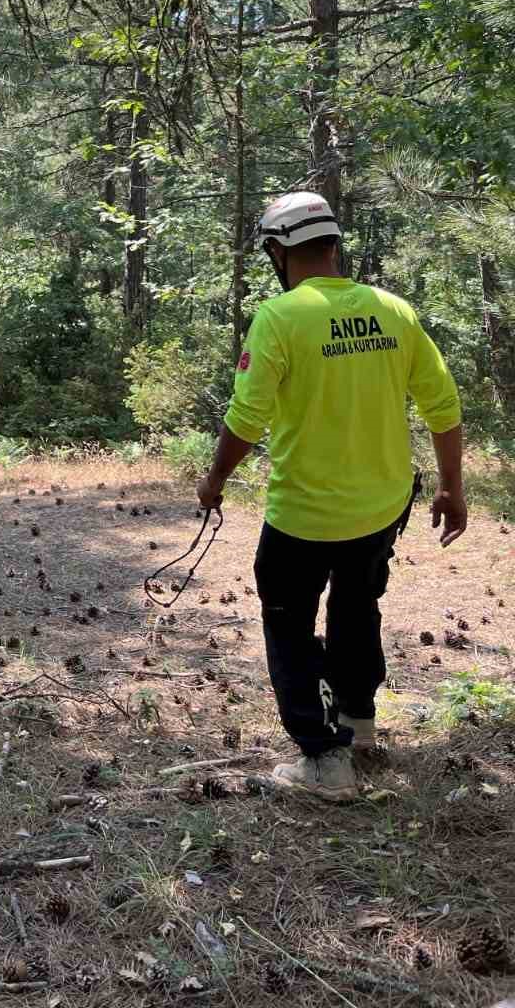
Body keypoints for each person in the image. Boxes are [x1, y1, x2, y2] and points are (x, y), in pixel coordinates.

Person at [196, 190, 466, 801]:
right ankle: (358, 723)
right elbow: (443, 404)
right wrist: (451, 486)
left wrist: (214, 480)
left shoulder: (280, 317)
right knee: (355, 606)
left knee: (288, 624)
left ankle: (324, 760)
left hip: (305, 515)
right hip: (380, 509)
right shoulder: (393, 310)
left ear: (277, 251)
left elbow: (247, 416)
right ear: (333, 244)